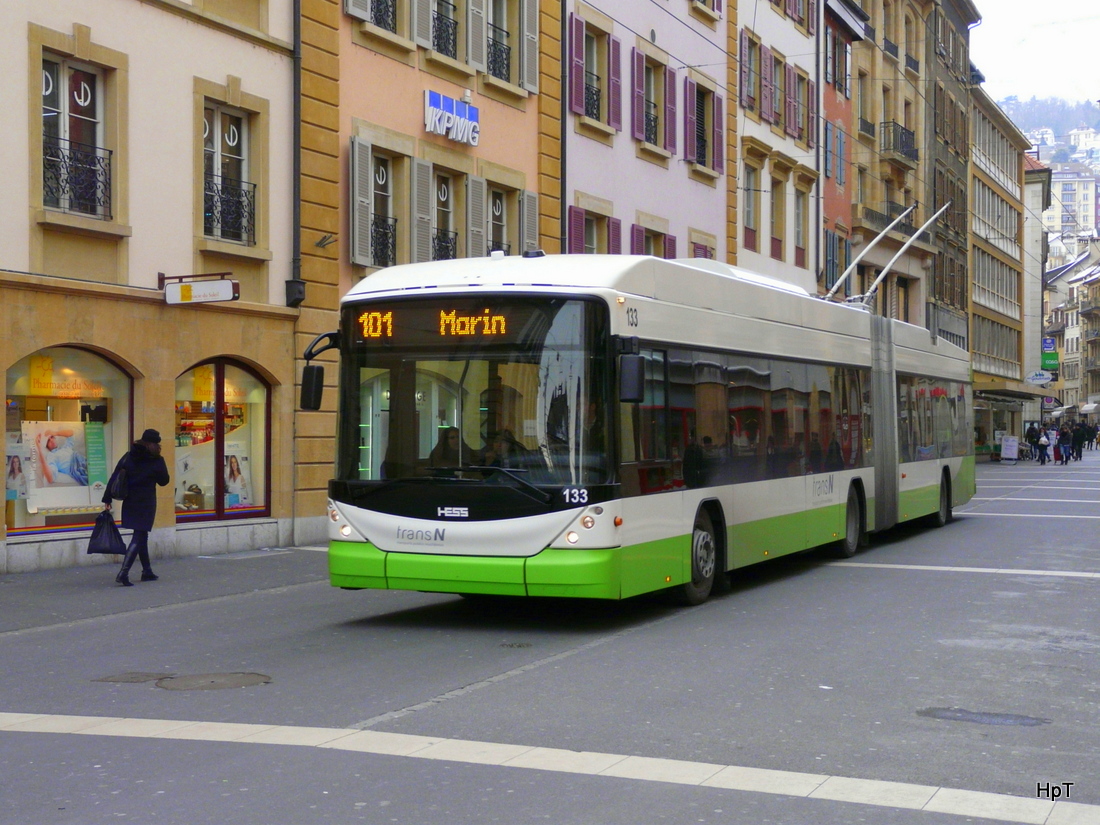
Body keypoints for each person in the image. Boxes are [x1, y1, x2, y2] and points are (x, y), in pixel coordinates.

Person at [102, 429, 170, 586]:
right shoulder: (156, 460)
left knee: (141, 534)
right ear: (155, 444)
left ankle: (147, 571)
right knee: (139, 535)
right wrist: (159, 466)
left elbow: (115, 475)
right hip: (146, 502)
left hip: (130, 500)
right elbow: (164, 481)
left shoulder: (129, 455)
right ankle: (123, 573)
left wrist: (107, 497)